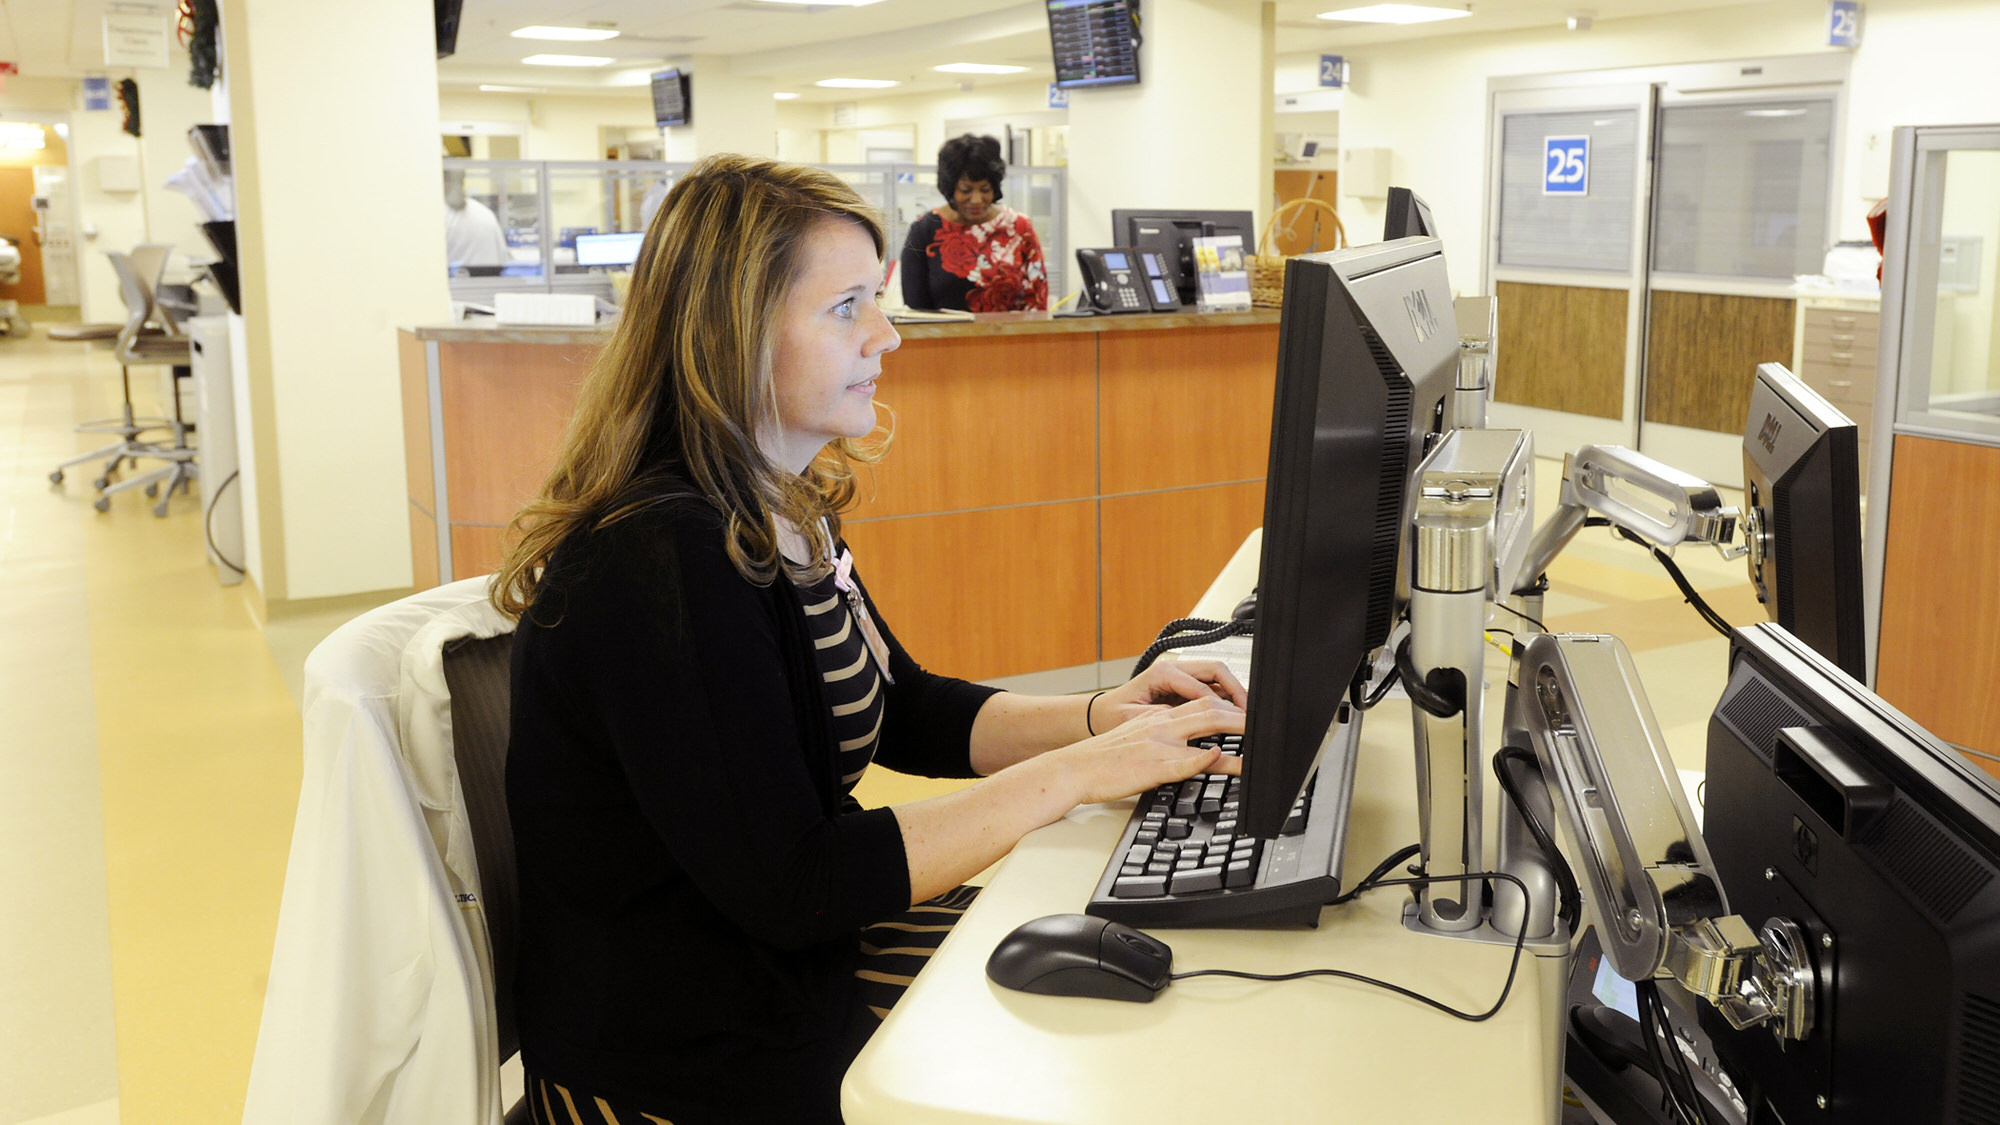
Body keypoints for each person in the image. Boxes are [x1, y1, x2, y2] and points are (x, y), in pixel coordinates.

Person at [492, 154, 1244, 1125]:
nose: (887, 336)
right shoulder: (662, 559)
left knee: (1136, 998)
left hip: (778, 974)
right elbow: (796, 883)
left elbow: (906, 710)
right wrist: (1079, 774)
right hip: (683, 1054)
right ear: (733, 334)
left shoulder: (775, 508)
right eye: (847, 306)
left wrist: (1104, 716)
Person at [899, 133, 1048, 312]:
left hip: (1012, 337)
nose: (976, 199)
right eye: (966, 190)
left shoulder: (1018, 227)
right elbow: (915, 307)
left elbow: (1038, 298)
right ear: (950, 188)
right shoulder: (924, 230)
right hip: (945, 337)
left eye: (985, 189)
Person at [443, 168, 511, 271]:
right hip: (489, 283)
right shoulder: (484, 213)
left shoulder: (438, 215)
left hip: (456, 284)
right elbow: (504, 259)